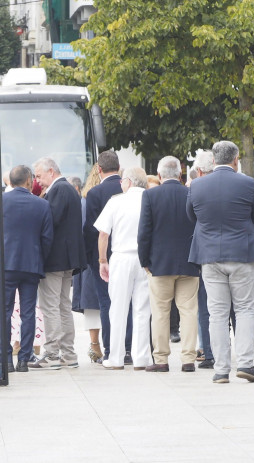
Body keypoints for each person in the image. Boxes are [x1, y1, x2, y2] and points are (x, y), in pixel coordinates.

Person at [187, 141, 254, 384]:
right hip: (241, 253)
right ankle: (245, 363)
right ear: (236, 159)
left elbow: (191, 216)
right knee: (244, 309)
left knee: (216, 313)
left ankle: (221, 369)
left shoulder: (197, 185)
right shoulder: (247, 183)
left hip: (210, 255)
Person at [138, 157, 200, 372]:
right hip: (189, 262)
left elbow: (144, 232)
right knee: (189, 311)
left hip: (159, 264)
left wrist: (144, 260)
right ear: (180, 174)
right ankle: (188, 359)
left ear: (160, 174)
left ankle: (161, 359)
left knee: (161, 312)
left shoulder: (150, 195)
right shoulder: (191, 193)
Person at [29, 157, 85, 370]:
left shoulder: (59, 190)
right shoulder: (67, 188)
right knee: (62, 306)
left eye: (39, 176)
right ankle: (68, 354)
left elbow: (49, 222)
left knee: (51, 306)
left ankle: (52, 354)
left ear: (51, 171)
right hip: (66, 259)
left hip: (55, 260)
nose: (37, 181)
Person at [96, 168, 151, 370]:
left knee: (117, 309)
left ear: (128, 181)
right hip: (144, 259)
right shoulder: (150, 198)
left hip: (121, 257)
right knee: (142, 310)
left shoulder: (116, 201)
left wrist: (102, 260)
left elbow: (103, 234)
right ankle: (141, 357)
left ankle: (116, 358)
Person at [2, 166, 53, 373]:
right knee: (28, 313)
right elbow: (47, 238)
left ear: (11, 182)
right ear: (29, 181)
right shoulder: (42, 205)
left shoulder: (1, 202)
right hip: (31, 265)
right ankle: (24, 360)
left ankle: (6, 360)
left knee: (5, 312)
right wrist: (40, 259)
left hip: (6, 264)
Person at [84, 150, 131, 364]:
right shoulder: (130, 189)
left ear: (99, 169)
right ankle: (129, 348)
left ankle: (112, 349)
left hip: (103, 256)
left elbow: (92, 230)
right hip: (129, 253)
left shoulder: (94, 193)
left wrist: (91, 257)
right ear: (119, 167)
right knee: (129, 301)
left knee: (106, 302)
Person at [187, 150, 216, 369]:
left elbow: (190, 217)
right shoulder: (236, 184)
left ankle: (208, 351)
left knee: (205, 306)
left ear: (198, 170)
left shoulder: (194, 188)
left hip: (205, 253)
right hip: (233, 253)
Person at [76, 165, 103, 362]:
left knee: (92, 305)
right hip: (104, 255)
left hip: (90, 256)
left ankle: (95, 345)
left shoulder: (85, 200)